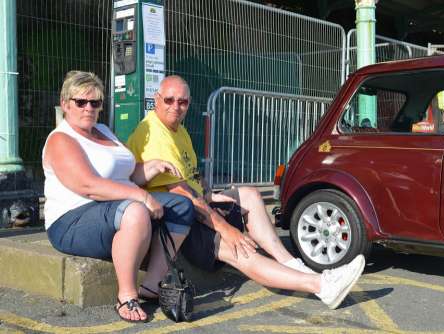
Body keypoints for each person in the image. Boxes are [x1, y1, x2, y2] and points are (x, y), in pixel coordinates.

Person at [127, 75, 365, 309]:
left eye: (183, 102)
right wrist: (228, 230)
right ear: (156, 99)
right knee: (238, 248)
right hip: (178, 218)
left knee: (249, 194)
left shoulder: (179, 130)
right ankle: (321, 286)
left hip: (193, 205)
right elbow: (182, 194)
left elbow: (191, 177)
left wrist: (210, 195)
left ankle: (292, 264)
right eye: (169, 100)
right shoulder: (155, 132)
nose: (176, 107)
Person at [42, 71, 194, 323]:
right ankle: (126, 295)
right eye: (81, 102)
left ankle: (153, 284)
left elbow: (127, 174)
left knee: (181, 205)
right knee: (135, 210)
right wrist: (142, 197)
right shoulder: (61, 139)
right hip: (73, 220)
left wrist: (152, 166)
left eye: (95, 102)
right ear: (65, 103)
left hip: (113, 207)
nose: (88, 108)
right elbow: (88, 185)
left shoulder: (102, 130)